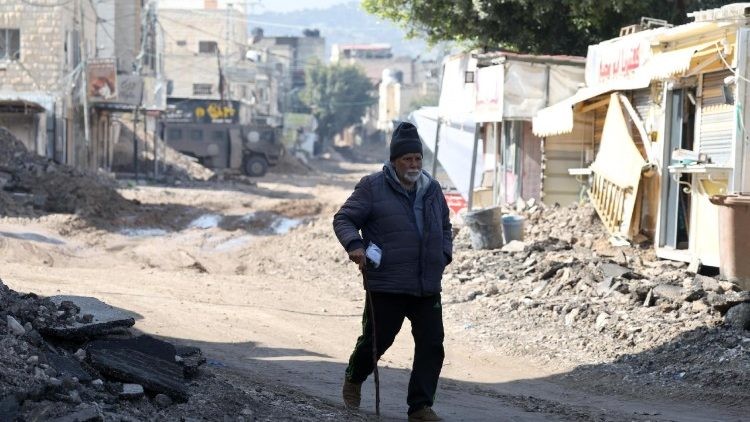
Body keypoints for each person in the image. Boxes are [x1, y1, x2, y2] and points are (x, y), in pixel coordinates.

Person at [333, 121, 452, 422]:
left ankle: (420, 407)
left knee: (432, 343)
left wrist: (444, 254)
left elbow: (446, 226)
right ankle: (354, 377)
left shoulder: (433, 189)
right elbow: (344, 219)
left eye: (417, 159)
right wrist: (355, 246)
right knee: (377, 339)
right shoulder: (372, 187)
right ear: (394, 161)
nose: (413, 164)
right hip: (386, 281)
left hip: (426, 283)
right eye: (406, 159)